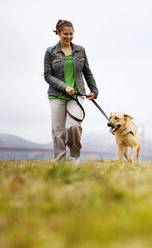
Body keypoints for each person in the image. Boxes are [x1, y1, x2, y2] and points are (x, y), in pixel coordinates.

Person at [44, 20, 99, 164]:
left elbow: (87, 71)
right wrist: (64, 86)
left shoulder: (80, 50)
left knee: (74, 126)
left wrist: (94, 90)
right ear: (58, 33)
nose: (68, 37)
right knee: (58, 131)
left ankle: (75, 157)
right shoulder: (50, 52)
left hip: (76, 94)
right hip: (56, 95)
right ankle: (59, 163)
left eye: (71, 34)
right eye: (65, 34)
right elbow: (47, 75)